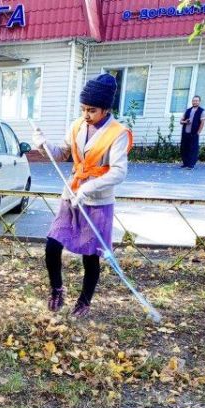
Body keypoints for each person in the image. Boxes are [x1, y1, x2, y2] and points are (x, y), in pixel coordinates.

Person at [32, 73, 132, 318]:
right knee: (52, 245)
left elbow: (119, 172)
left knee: (90, 257)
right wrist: (44, 145)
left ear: (106, 109)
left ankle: (84, 301)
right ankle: (57, 289)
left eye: (92, 110)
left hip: (97, 201)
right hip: (72, 195)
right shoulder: (77, 125)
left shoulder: (118, 133)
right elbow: (64, 153)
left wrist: (88, 188)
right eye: (83, 109)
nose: (86, 115)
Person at [180, 95, 205, 169]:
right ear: (192, 101)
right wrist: (185, 121)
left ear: (199, 102)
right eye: (194, 100)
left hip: (194, 133)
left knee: (193, 149)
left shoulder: (202, 111)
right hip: (185, 133)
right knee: (184, 148)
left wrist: (198, 132)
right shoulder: (188, 110)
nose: (195, 102)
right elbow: (181, 121)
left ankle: (191, 165)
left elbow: (202, 122)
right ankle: (185, 163)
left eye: (196, 101)